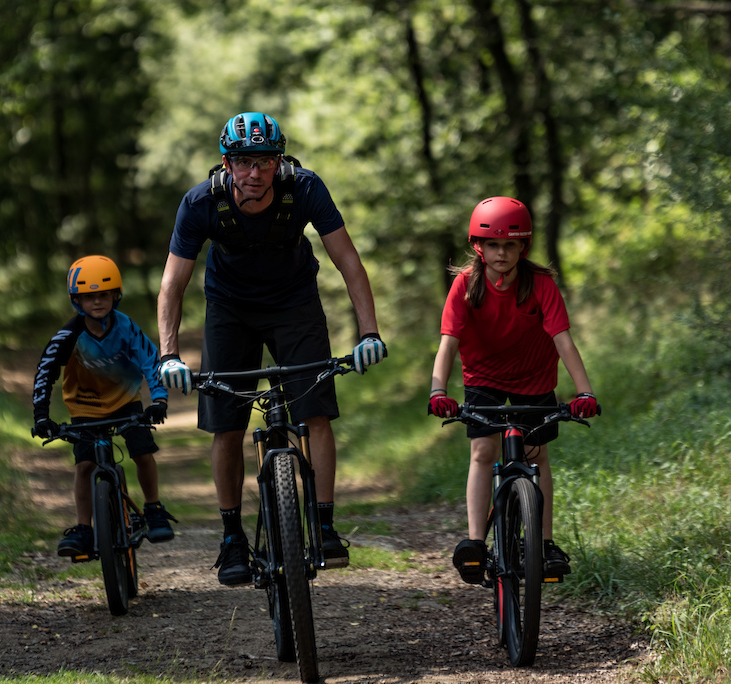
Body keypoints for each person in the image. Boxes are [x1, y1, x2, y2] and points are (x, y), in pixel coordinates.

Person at [155, 111, 386, 586]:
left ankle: (324, 526)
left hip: (295, 304)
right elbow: (172, 284)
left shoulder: (305, 188)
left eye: (264, 161)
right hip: (229, 310)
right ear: (227, 163)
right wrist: (169, 354)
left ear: (279, 161)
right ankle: (231, 539)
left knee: (315, 412)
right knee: (225, 423)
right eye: (244, 162)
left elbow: (348, 262)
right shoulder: (200, 202)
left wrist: (369, 333)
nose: (255, 173)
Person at [427, 196, 600, 584]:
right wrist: (438, 392)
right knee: (482, 451)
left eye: (510, 244)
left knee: (536, 455)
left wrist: (585, 393)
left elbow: (564, 341)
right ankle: (475, 542)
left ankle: (545, 543)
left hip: (533, 377)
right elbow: (448, 344)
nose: (502, 253)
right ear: (478, 246)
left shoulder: (540, 284)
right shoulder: (464, 285)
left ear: (525, 246)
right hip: (483, 376)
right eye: (493, 245)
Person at [32, 255, 177, 558]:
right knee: (85, 465)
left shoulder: (127, 328)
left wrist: (159, 400)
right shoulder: (68, 336)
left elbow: (151, 362)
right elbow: (46, 371)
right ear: (76, 301)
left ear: (115, 296)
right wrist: (41, 416)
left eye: (104, 295)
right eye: (88, 297)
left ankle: (153, 509)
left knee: (142, 452)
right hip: (84, 408)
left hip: (125, 402)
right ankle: (84, 528)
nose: (97, 302)